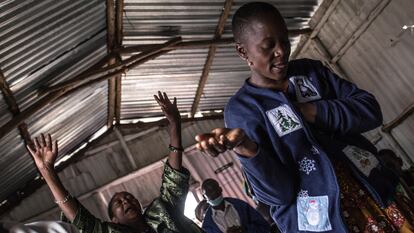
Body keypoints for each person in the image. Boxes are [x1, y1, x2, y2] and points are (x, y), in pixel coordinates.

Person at [195, 2, 414, 232]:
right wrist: (247, 149)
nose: (281, 51)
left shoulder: (311, 72)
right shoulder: (243, 110)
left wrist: (309, 111)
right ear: (243, 52)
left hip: (378, 192)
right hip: (328, 224)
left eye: (284, 41)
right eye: (268, 46)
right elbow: (280, 195)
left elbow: (370, 111)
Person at [27, 92, 203, 233]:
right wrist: (47, 171)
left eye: (128, 198)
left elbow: (173, 176)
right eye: (118, 203)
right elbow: (80, 220)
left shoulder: (163, 211)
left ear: (140, 205)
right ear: (114, 220)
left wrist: (175, 125)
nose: (126, 202)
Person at [200, 178, 270, 233]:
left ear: (220, 189)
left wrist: (244, 230)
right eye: (210, 192)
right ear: (204, 197)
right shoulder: (207, 225)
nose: (214, 193)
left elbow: (264, 226)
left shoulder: (241, 206)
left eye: (215, 189)